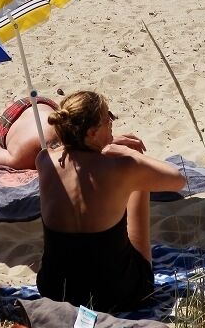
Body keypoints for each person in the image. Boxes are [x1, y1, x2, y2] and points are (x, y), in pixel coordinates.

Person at [35, 91, 185, 313]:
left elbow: (80, 158)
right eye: (108, 119)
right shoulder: (121, 168)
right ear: (93, 132)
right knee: (140, 181)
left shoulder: (44, 160)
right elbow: (178, 179)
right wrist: (128, 153)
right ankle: (142, 270)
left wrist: (105, 144)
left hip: (56, 291)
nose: (112, 123)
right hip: (115, 294)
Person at [0, 95, 60, 169]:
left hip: (44, 103)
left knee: (13, 107)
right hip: (10, 118)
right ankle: (10, 105)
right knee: (12, 108)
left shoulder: (67, 131)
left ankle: (10, 105)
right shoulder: (22, 157)